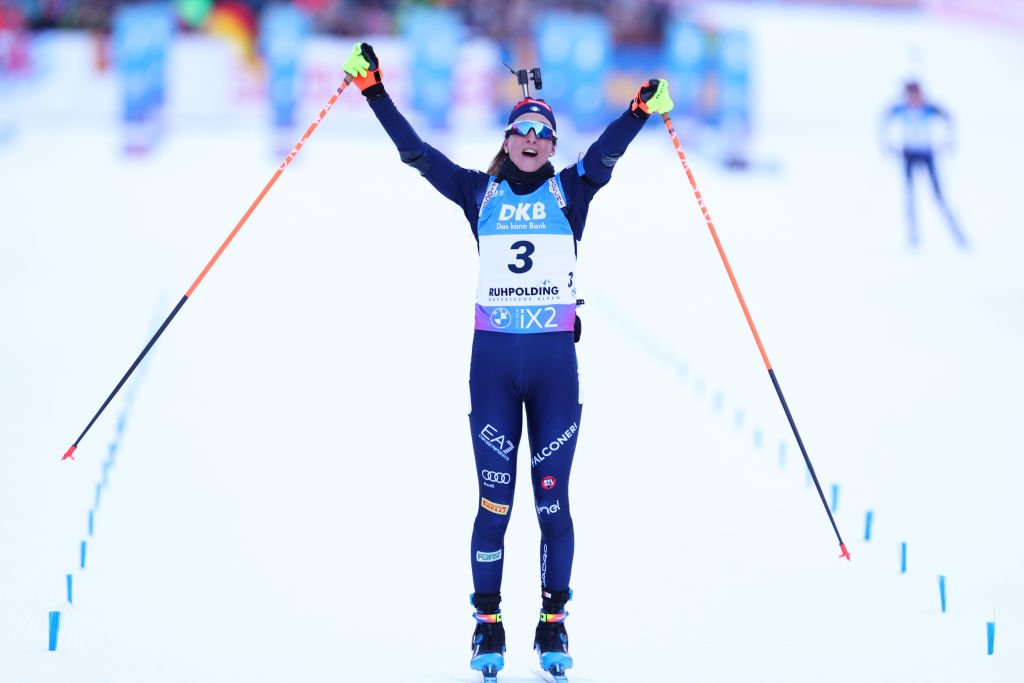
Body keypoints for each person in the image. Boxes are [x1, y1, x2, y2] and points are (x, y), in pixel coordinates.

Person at [342, 42, 673, 680]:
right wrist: (374, 91)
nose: (529, 139)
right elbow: (417, 156)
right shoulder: (478, 192)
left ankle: (553, 622)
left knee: (552, 504)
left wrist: (638, 111)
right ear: (508, 137)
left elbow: (606, 153)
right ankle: (487, 621)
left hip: (553, 373)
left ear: (551, 146)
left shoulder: (572, 191)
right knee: (495, 504)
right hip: (493, 370)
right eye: (521, 129)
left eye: (541, 133)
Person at [881, 80, 968, 249]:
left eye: (916, 94)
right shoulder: (901, 109)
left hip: (927, 154)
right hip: (909, 155)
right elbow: (884, 121)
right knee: (910, 196)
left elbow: (949, 119)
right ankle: (913, 236)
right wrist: (888, 145)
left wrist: (948, 142)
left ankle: (958, 233)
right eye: (910, 94)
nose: (914, 98)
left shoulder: (929, 109)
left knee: (939, 196)